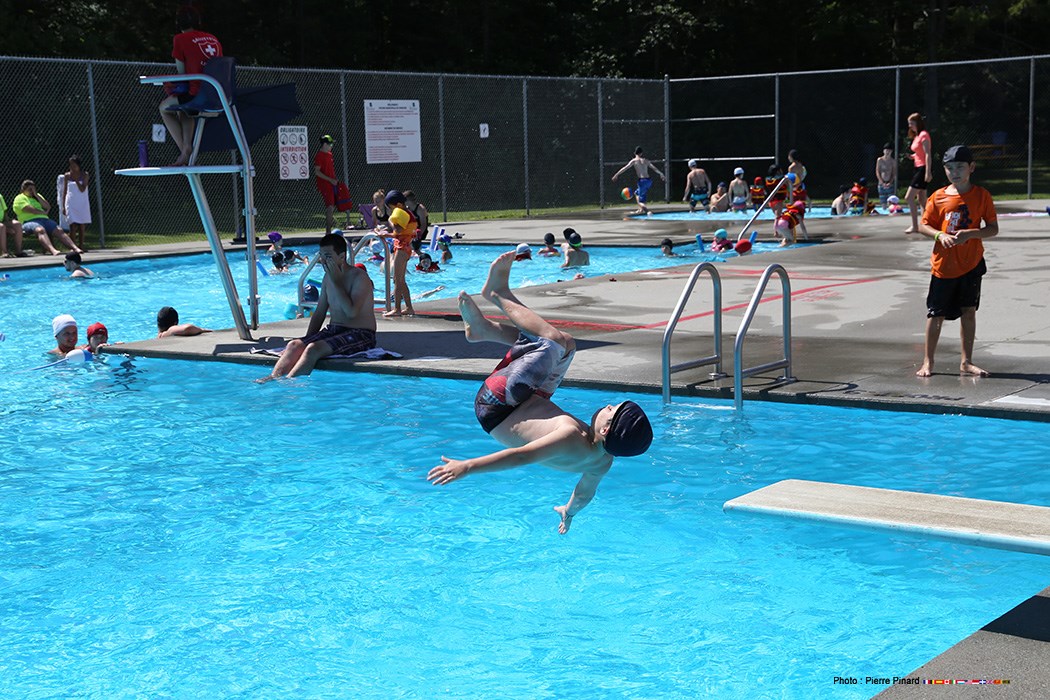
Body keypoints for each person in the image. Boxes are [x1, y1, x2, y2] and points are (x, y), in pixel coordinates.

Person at [427, 251, 653, 534]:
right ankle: (483, 330)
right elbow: (584, 494)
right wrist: (568, 512)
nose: (607, 405)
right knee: (567, 345)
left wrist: (468, 467)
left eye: (611, 410)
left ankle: (497, 293)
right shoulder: (602, 461)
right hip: (526, 402)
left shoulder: (570, 436)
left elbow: (521, 456)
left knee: (552, 342)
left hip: (496, 406)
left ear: (606, 429)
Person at [915, 145, 998, 378]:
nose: (955, 172)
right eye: (950, 168)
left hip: (971, 263)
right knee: (935, 314)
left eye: (960, 167)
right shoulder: (938, 197)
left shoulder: (982, 196)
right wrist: (940, 235)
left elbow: (993, 229)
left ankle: (966, 362)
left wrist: (971, 234)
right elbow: (924, 225)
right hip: (944, 266)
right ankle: (928, 362)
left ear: (971, 168)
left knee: (969, 311)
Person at [263, 233, 377, 380]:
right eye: (321, 255)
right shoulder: (328, 277)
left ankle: (289, 386)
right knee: (293, 345)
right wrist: (307, 339)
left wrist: (337, 282)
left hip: (361, 333)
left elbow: (351, 313)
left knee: (313, 349)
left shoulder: (359, 277)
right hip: (334, 329)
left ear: (342, 257)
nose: (323, 260)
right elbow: (319, 313)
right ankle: (273, 379)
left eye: (328, 256)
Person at [159, 6, 223, 167]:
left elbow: (183, 75)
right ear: (198, 21)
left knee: (164, 108)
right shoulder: (213, 38)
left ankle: (185, 151)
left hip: (197, 95)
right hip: (218, 95)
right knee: (183, 108)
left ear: (178, 24)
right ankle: (187, 150)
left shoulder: (180, 39)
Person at [13, 180, 81, 256]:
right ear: (23, 190)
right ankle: (53, 250)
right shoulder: (19, 198)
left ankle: (75, 248)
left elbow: (47, 206)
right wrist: (43, 212)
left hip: (45, 220)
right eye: (30, 190)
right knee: (40, 230)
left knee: (59, 230)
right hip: (28, 221)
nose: (32, 191)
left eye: (33, 189)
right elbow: (29, 209)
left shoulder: (37, 196)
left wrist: (36, 195)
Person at [382, 190, 417, 317]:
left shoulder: (402, 214)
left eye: (391, 208)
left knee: (397, 280)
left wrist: (386, 233)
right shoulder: (407, 213)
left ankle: (396, 309)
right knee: (401, 280)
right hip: (405, 248)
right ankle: (409, 307)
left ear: (398, 204)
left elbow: (397, 232)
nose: (391, 211)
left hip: (402, 249)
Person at [611, 146, 666, 215]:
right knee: (638, 193)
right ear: (641, 153)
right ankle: (640, 210)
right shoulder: (645, 160)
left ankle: (647, 211)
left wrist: (616, 174)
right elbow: (654, 168)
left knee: (640, 200)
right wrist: (661, 174)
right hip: (649, 181)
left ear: (634, 153)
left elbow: (625, 168)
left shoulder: (634, 161)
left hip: (642, 181)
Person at [904, 112, 933, 234]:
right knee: (921, 199)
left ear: (918, 123)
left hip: (922, 169)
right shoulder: (917, 136)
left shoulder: (924, 135)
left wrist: (928, 172)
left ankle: (915, 226)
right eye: (909, 124)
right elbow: (920, 152)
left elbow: (927, 154)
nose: (910, 126)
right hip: (917, 167)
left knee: (908, 197)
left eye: (912, 123)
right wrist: (913, 156)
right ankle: (928, 223)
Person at [61, 155, 91, 250]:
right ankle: (73, 247)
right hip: (71, 202)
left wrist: (76, 180)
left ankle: (81, 246)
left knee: (81, 225)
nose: (72, 167)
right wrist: (63, 206)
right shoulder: (67, 176)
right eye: (70, 165)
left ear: (78, 165)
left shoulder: (85, 175)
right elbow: (65, 191)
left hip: (82, 203)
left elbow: (82, 189)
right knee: (72, 225)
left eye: (74, 165)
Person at [314, 135, 338, 235]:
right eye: (330, 144)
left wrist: (334, 179)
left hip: (332, 183)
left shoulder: (329, 154)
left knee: (332, 206)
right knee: (330, 207)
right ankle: (328, 232)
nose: (331, 146)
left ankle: (330, 226)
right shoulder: (319, 156)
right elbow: (317, 172)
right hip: (325, 185)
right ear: (324, 144)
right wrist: (330, 180)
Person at [1, 193, 26, 257]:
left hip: (2, 222)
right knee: (1, 227)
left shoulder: (0, 196)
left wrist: (8, 222)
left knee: (17, 224)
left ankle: (18, 251)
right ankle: (4, 252)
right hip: (1, 225)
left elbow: (4, 211)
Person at [875, 142, 897, 207]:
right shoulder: (880, 160)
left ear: (891, 152)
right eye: (886, 150)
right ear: (883, 151)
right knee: (883, 203)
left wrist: (890, 182)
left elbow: (893, 173)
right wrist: (882, 182)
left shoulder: (893, 161)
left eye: (889, 151)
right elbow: (877, 171)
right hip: (881, 183)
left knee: (891, 202)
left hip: (889, 183)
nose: (887, 152)